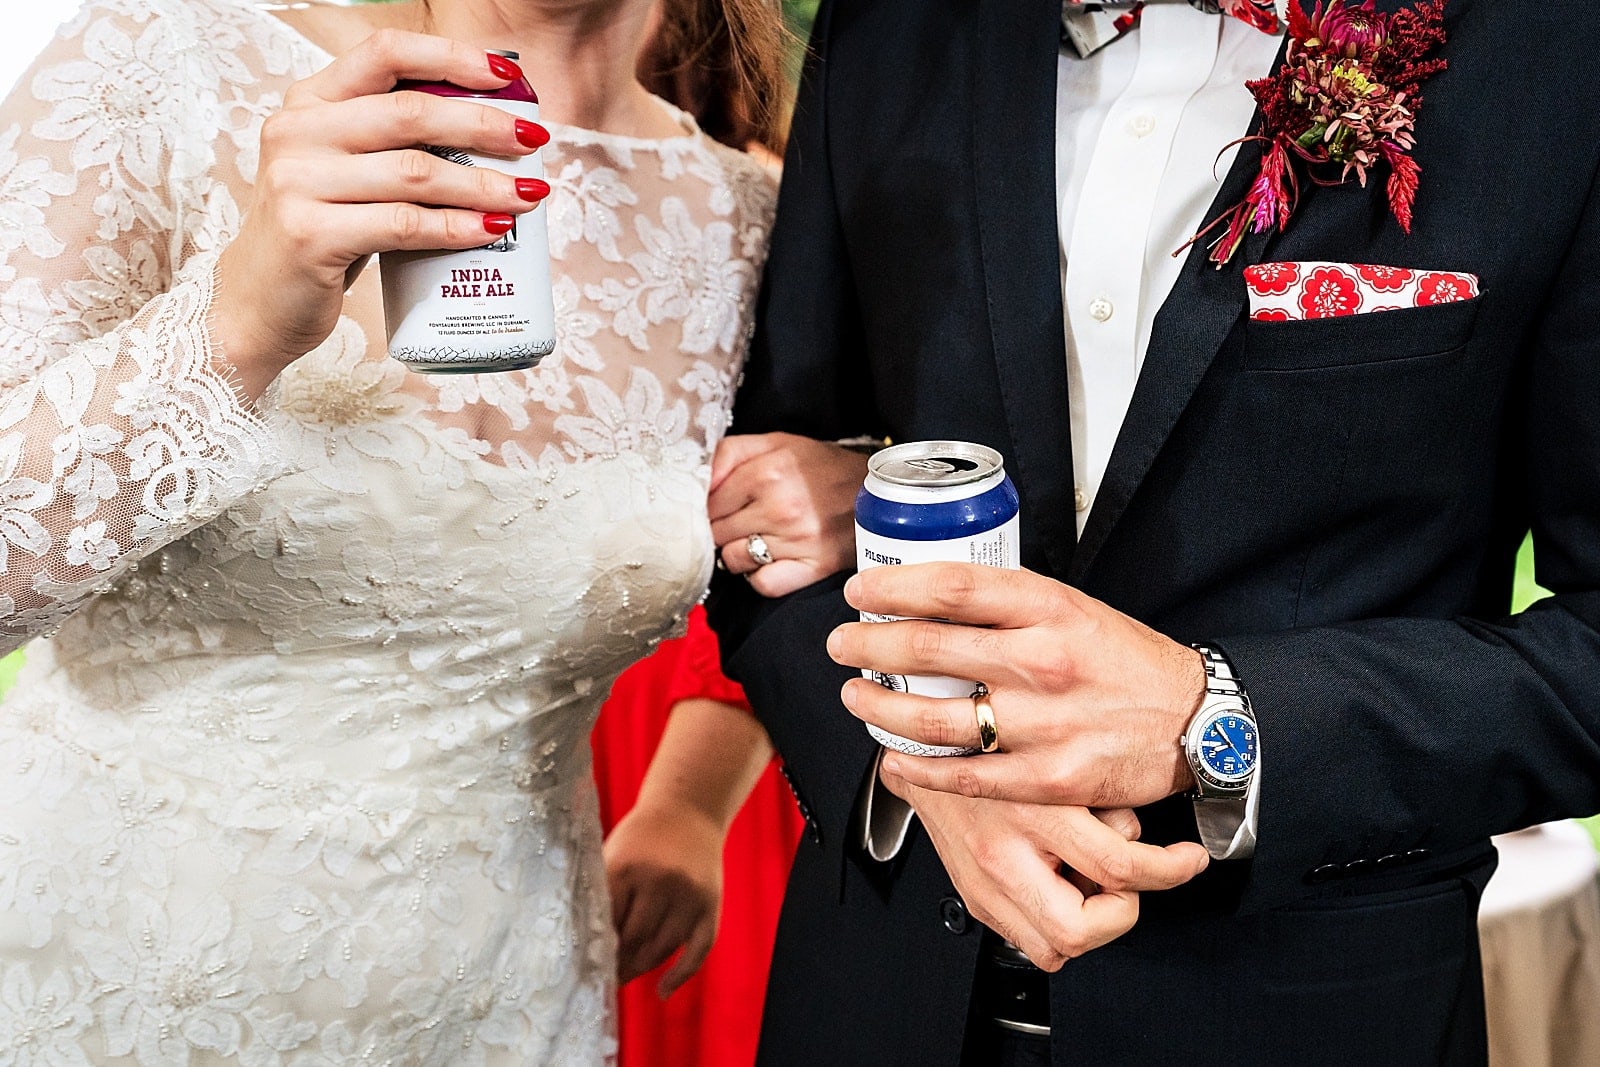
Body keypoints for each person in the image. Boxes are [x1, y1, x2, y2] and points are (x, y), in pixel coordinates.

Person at [708, 0, 1600, 1063]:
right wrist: (911, 775)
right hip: (871, 996)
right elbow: (770, 509)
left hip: (1306, 1011)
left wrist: (1219, 717)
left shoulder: (1557, 52)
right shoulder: (891, 31)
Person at [0, 0, 782, 1058]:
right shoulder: (163, 59)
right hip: (96, 964)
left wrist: (693, 800)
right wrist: (235, 322)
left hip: (506, 995)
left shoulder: (747, 220)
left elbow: (790, 574)